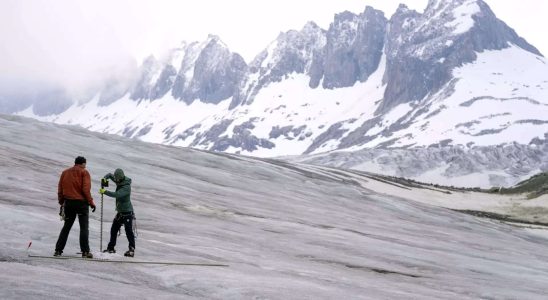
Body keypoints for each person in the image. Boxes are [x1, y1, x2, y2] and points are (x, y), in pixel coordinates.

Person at [55, 156, 96, 258]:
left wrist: (62, 202)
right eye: (85, 164)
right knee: (84, 228)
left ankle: (58, 250)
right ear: (82, 164)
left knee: (66, 227)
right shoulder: (84, 172)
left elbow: (60, 189)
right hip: (81, 204)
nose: (85, 166)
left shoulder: (65, 172)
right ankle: (85, 252)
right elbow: (85, 190)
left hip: (68, 203)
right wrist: (91, 203)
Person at [100, 168, 135, 257]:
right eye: (116, 179)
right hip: (120, 212)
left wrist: (105, 191)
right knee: (114, 229)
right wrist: (105, 179)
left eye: (117, 179)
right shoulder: (119, 180)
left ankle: (131, 249)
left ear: (121, 177)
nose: (116, 180)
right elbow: (109, 175)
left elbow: (117, 194)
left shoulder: (126, 187)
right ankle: (111, 248)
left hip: (127, 212)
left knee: (129, 231)